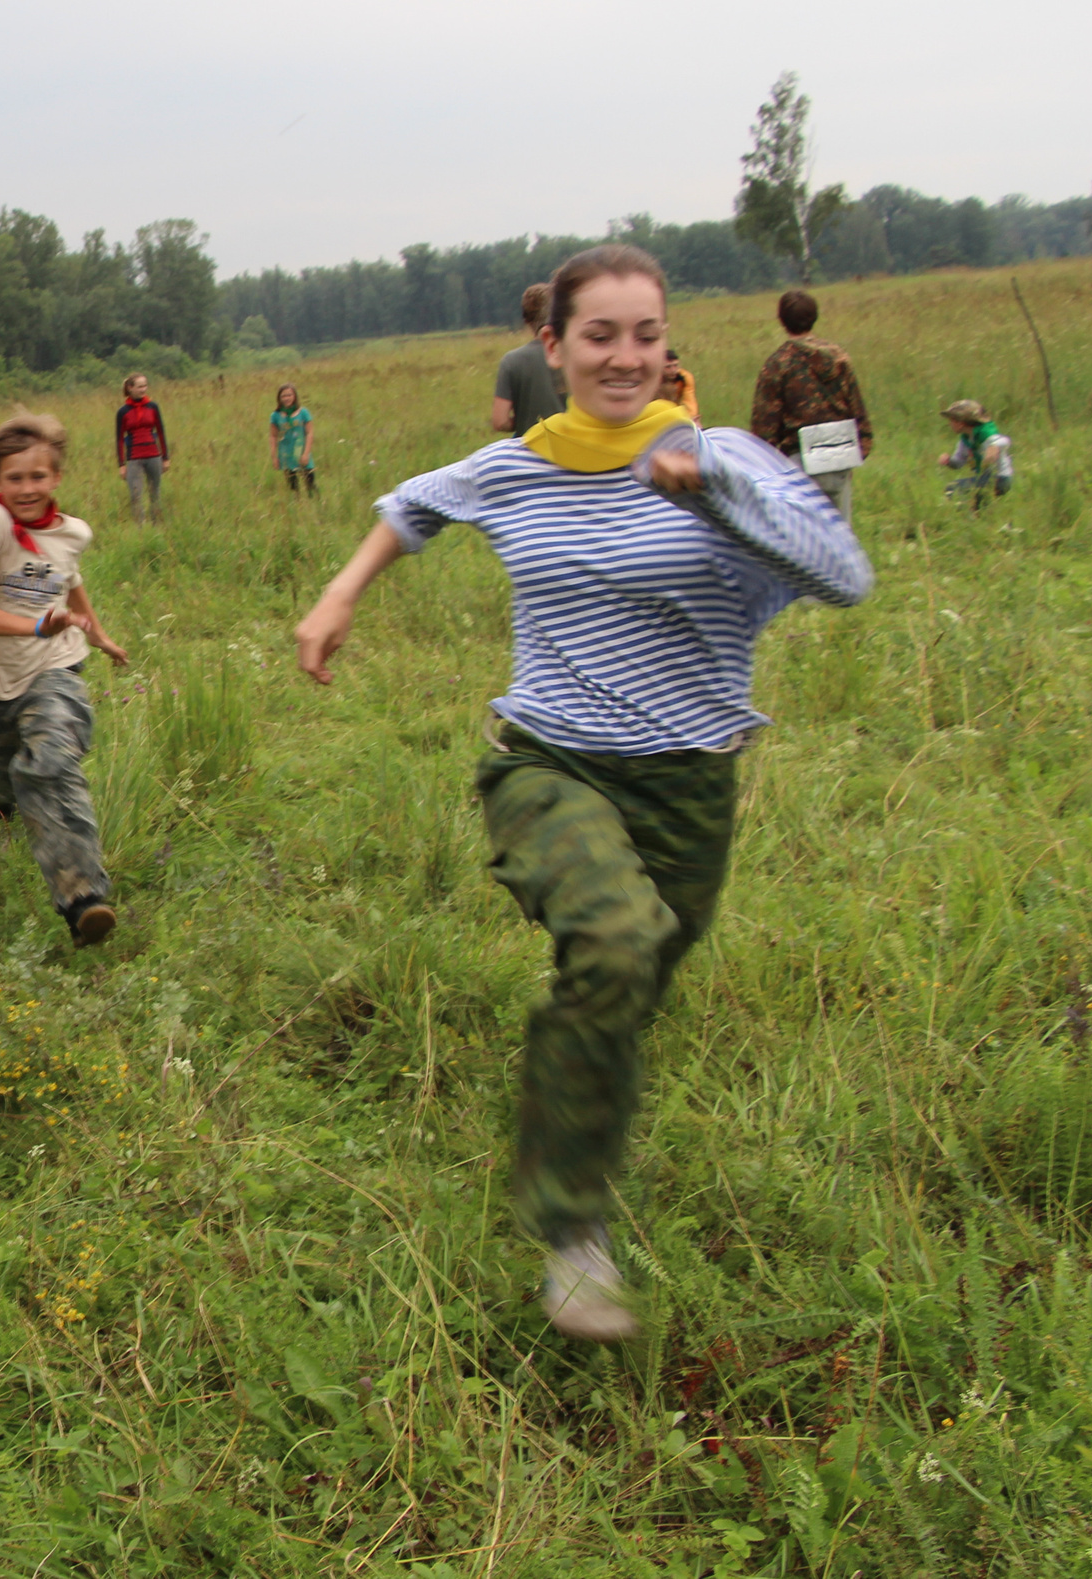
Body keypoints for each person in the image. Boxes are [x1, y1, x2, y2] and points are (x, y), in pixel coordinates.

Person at [293, 246, 871, 1342]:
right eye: (598, 335)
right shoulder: (515, 466)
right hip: (548, 762)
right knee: (612, 943)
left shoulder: (721, 454)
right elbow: (414, 505)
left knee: (628, 984)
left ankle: (566, 1118)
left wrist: (713, 496)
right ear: (552, 347)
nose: (624, 356)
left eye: (645, 335)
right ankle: (571, 1231)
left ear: (666, 345)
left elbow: (842, 578)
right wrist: (339, 593)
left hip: (688, 782)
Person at [0, 410, 132, 947]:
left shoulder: (73, 532)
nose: (27, 489)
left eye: (38, 476)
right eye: (15, 478)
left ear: (57, 476)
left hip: (54, 667)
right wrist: (34, 625)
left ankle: (82, 898)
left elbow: (70, 580)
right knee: (6, 781)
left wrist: (98, 635)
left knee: (50, 764)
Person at [750, 289, 872, 520]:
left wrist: (765, 468)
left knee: (803, 534)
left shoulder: (778, 364)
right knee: (839, 532)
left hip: (798, 461)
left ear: (782, 320)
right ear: (815, 317)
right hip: (840, 454)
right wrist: (860, 449)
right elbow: (857, 409)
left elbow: (764, 426)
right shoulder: (839, 357)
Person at [491, 283, 568, 436]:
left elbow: (500, 421)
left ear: (526, 320)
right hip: (572, 444)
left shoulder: (511, 361)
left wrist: (524, 421)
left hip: (528, 445)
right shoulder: (576, 356)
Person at [114, 374, 170, 521]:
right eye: (139, 387)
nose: (143, 389)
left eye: (145, 386)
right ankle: (140, 528)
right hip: (134, 458)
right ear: (130, 388)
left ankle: (156, 525)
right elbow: (119, 439)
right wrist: (121, 464)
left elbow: (161, 432)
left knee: (155, 493)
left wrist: (165, 458)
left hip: (153, 456)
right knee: (135, 495)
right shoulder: (123, 412)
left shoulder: (153, 407)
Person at [939, 398, 1014, 507]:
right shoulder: (965, 439)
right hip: (985, 478)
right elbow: (959, 463)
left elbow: (1004, 440)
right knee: (979, 507)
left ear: (960, 423)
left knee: (952, 488)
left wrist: (994, 446)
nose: (950, 424)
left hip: (1000, 478)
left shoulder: (986, 433)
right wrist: (949, 461)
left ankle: (964, 512)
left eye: (951, 420)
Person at [268, 384, 316, 495]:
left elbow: (309, 433)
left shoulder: (303, 413)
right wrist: (274, 457)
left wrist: (306, 454)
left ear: (294, 396)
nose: (286, 398)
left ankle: (314, 503)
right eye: (283, 396)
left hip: (302, 453)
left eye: (289, 395)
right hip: (286, 456)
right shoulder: (275, 416)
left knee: (310, 485)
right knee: (293, 489)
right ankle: (298, 504)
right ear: (279, 398)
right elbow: (273, 436)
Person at [660, 349, 699, 419]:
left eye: (675, 365)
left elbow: (689, 402)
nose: (673, 370)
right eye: (668, 367)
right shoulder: (650, 379)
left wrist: (691, 419)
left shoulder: (684, 377)